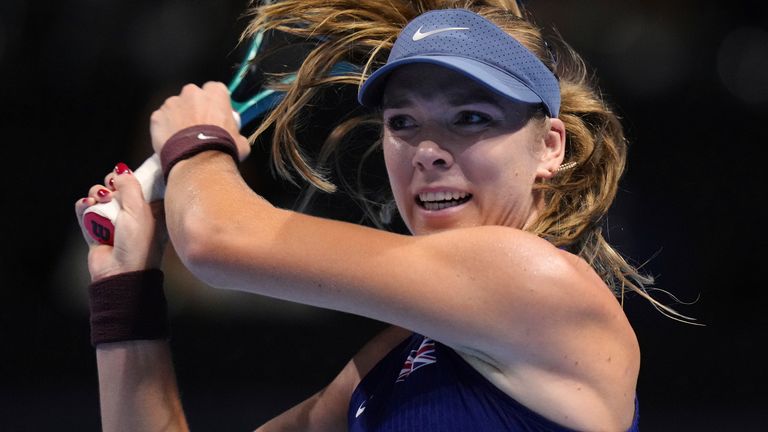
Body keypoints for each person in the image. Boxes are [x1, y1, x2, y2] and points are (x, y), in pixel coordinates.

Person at [74, 1, 685, 430]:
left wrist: (196, 139)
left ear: (549, 146)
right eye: (402, 123)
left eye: (471, 117)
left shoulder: (536, 283)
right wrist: (124, 290)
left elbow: (215, 237)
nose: (427, 151)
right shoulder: (390, 360)